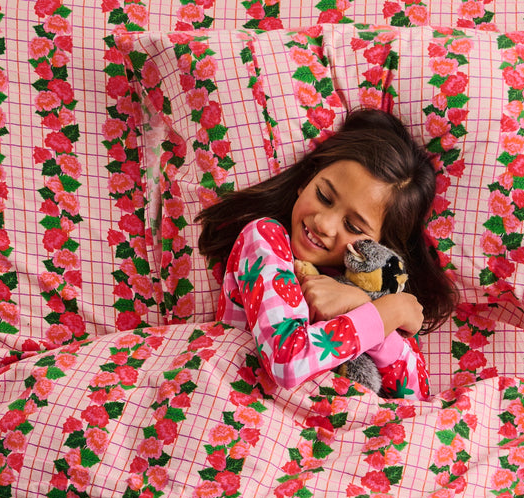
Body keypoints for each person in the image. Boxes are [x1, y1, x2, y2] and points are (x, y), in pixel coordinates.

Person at [196, 108, 457, 399]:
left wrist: (363, 305)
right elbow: (287, 361)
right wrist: (386, 315)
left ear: (380, 245)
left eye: (353, 226)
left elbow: (415, 397)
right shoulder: (264, 238)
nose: (324, 224)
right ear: (306, 181)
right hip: (249, 409)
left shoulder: (376, 291)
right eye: (323, 196)